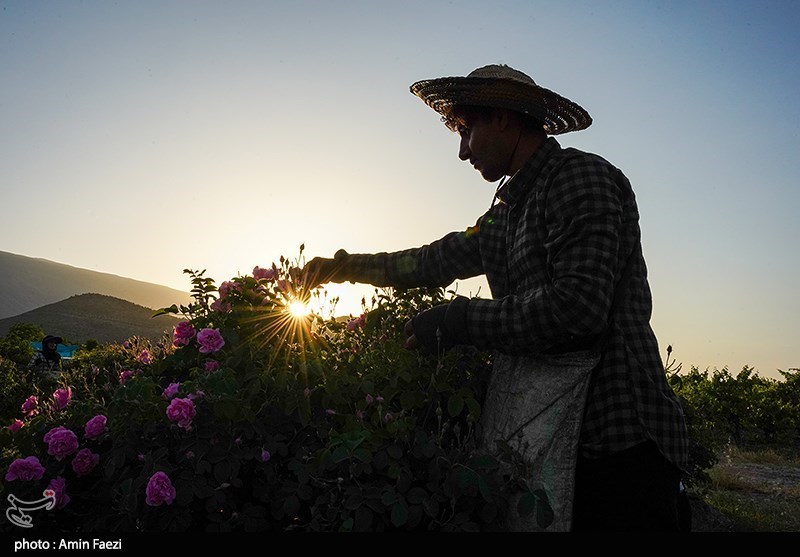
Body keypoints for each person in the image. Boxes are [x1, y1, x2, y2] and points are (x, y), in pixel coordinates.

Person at [302, 64, 689, 531]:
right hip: (552, 435)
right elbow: (429, 262)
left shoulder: (580, 178)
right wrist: (340, 268)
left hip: (620, 443)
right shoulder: (503, 218)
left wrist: (461, 320)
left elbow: (578, 309)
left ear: (503, 118)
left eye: (467, 130)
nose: (462, 151)